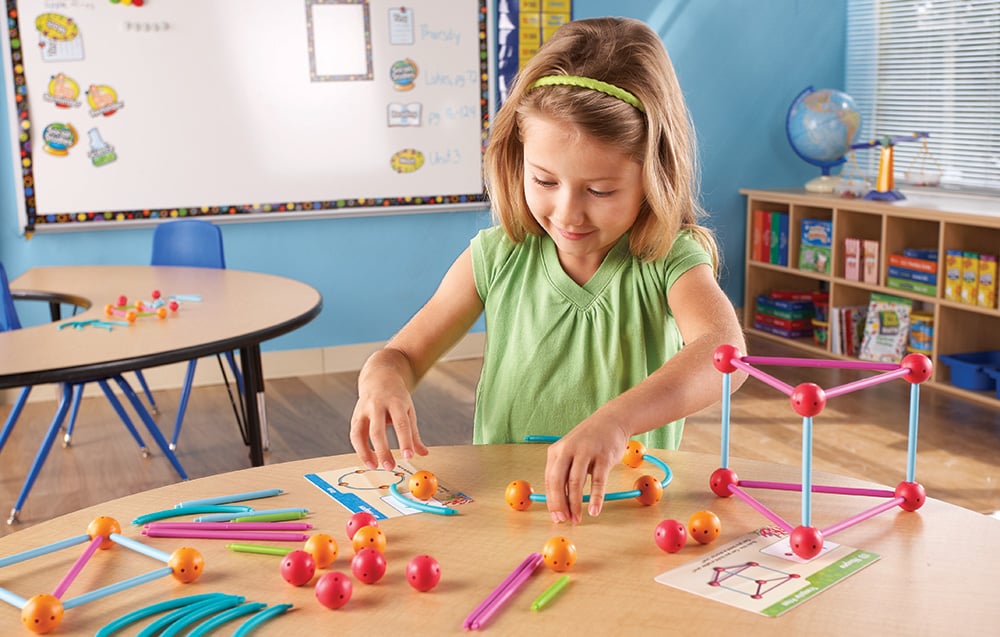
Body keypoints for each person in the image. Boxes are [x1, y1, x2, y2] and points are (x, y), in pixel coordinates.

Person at [350, 16, 747, 524]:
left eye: (600, 191)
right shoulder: (497, 255)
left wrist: (617, 421)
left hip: (623, 510)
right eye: (544, 180)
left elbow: (724, 354)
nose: (567, 213)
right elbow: (403, 353)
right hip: (506, 508)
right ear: (517, 160)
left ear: (654, 176)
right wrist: (381, 375)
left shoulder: (669, 258)